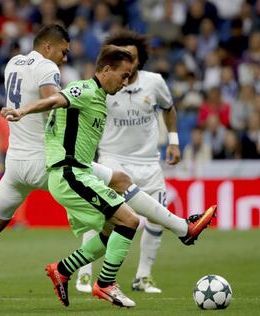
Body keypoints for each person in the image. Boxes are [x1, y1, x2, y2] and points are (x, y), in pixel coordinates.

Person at [2, 45, 216, 308]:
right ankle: (105, 283)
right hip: (70, 174)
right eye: (123, 75)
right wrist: (23, 111)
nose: (126, 82)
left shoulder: (100, 97)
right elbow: (56, 99)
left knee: (112, 230)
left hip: (79, 173)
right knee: (129, 220)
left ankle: (62, 269)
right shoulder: (86, 90)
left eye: (129, 77)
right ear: (105, 71)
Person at [76, 30, 180, 294]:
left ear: (139, 59)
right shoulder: (103, 83)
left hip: (148, 162)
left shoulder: (154, 82)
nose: (126, 61)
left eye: (131, 56)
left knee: (157, 220)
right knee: (104, 216)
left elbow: (168, 108)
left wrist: (174, 141)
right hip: (113, 159)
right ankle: (85, 273)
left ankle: (143, 277)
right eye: (120, 55)